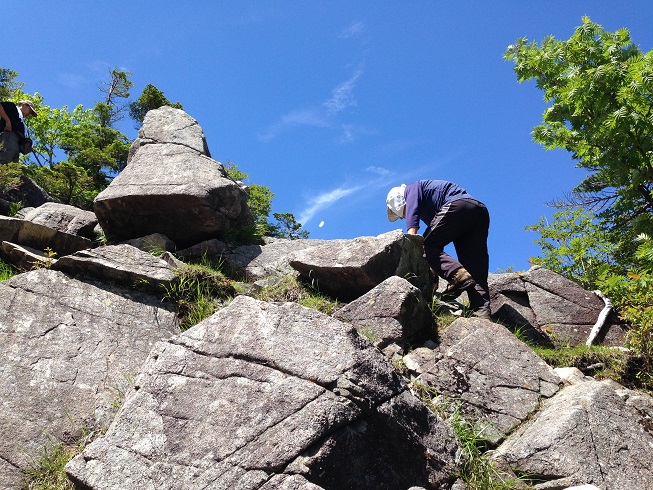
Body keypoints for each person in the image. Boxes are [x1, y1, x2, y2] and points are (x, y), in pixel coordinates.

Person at [386, 180, 491, 319]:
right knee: (475, 267)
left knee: (423, 245)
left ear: (400, 202)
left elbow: (416, 229)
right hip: (478, 212)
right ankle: (482, 313)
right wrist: (434, 275)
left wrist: (411, 245)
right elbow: (436, 245)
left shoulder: (411, 189)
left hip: (457, 205)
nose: (401, 217)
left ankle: (457, 275)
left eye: (400, 213)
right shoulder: (431, 208)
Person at [0, 100, 37, 164]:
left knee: (13, 167)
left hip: (16, 146)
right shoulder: (13, 107)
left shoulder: (22, 122)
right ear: (23, 105)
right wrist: (7, 120)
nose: (29, 113)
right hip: (8, 136)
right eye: (30, 110)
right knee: (5, 159)